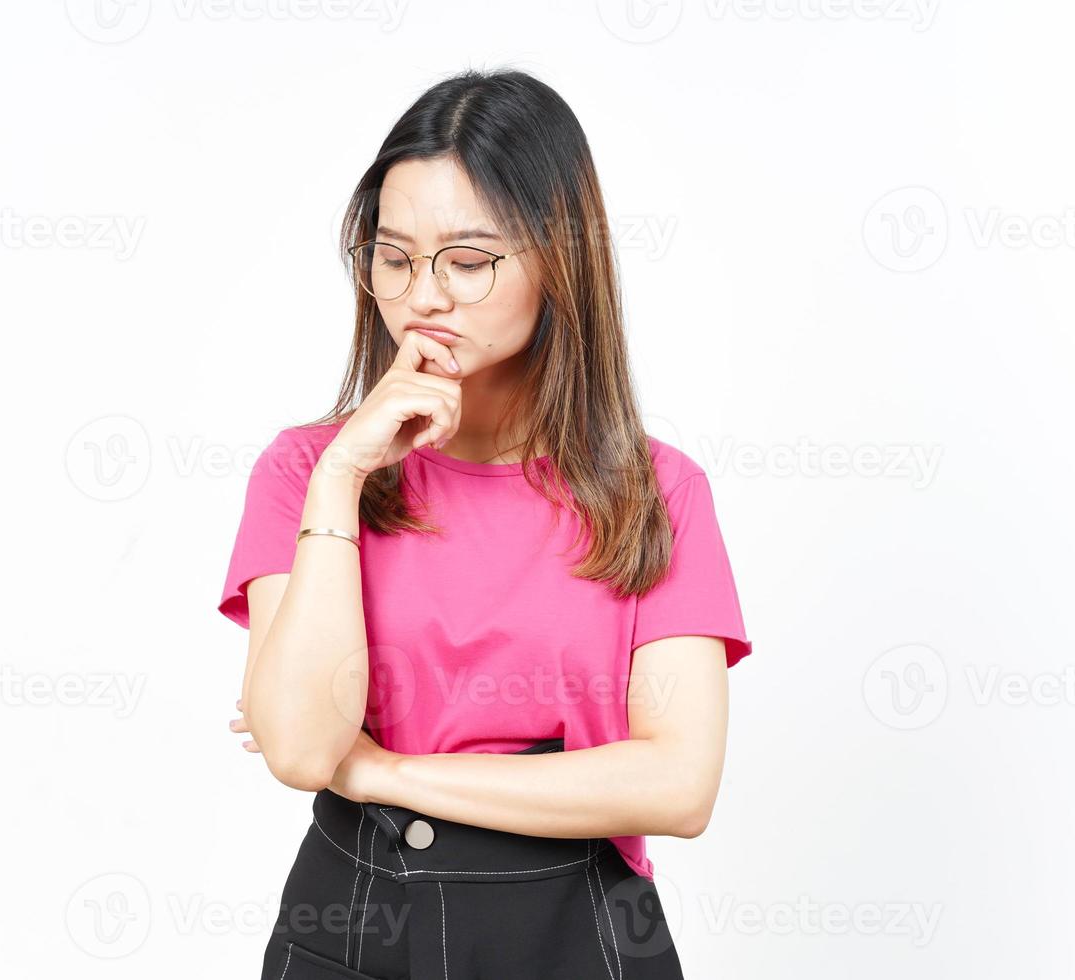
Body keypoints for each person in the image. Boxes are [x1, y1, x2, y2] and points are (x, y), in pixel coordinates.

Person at [217, 67, 753, 980]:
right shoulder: (307, 472)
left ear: (559, 258)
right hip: (353, 924)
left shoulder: (657, 491)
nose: (424, 295)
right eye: (393, 256)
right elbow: (305, 749)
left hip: (575, 931)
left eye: (468, 261)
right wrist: (345, 471)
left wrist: (384, 772)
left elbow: (678, 783)